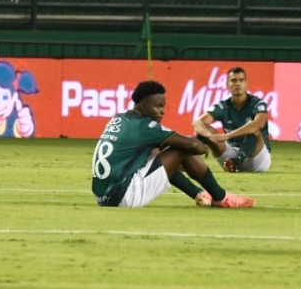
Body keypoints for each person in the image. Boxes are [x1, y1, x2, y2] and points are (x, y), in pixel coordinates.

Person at [91, 80, 255, 209]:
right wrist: (206, 140)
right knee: (180, 149)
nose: (162, 111)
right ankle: (221, 197)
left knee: (157, 153)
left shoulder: (118, 119)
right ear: (141, 105)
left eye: (163, 106)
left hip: (104, 197)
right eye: (158, 106)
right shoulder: (146, 127)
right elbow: (192, 146)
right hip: (124, 197)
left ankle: (199, 195)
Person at [193, 66, 271, 173]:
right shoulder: (223, 106)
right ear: (227, 85)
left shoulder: (257, 104)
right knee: (203, 129)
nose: (237, 84)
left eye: (241, 80)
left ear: (246, 83)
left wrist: (228, 135)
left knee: (254, 130)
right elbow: (197, 123)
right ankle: (187, 160)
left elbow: (258, 124)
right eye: (233, 80)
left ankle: (238, 161)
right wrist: (210, 137)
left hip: (257, 158)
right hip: (230, 157)